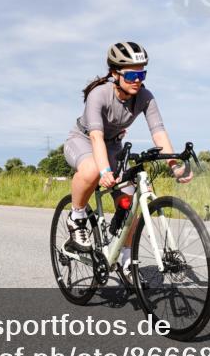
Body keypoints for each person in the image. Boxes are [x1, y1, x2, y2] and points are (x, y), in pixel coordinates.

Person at [62, 42, 193, 268]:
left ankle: (125, 259)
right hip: (82, 141)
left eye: (142, 73)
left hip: (113, 147)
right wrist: (104, 171)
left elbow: (158, 131)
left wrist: (174, 166)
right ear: (115, 73)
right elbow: (95, 137)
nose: (138, 79)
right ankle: (77, 216)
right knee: (92, 170)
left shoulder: (145, 96)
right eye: (132, 74)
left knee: (134, 202)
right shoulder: (99, 94)